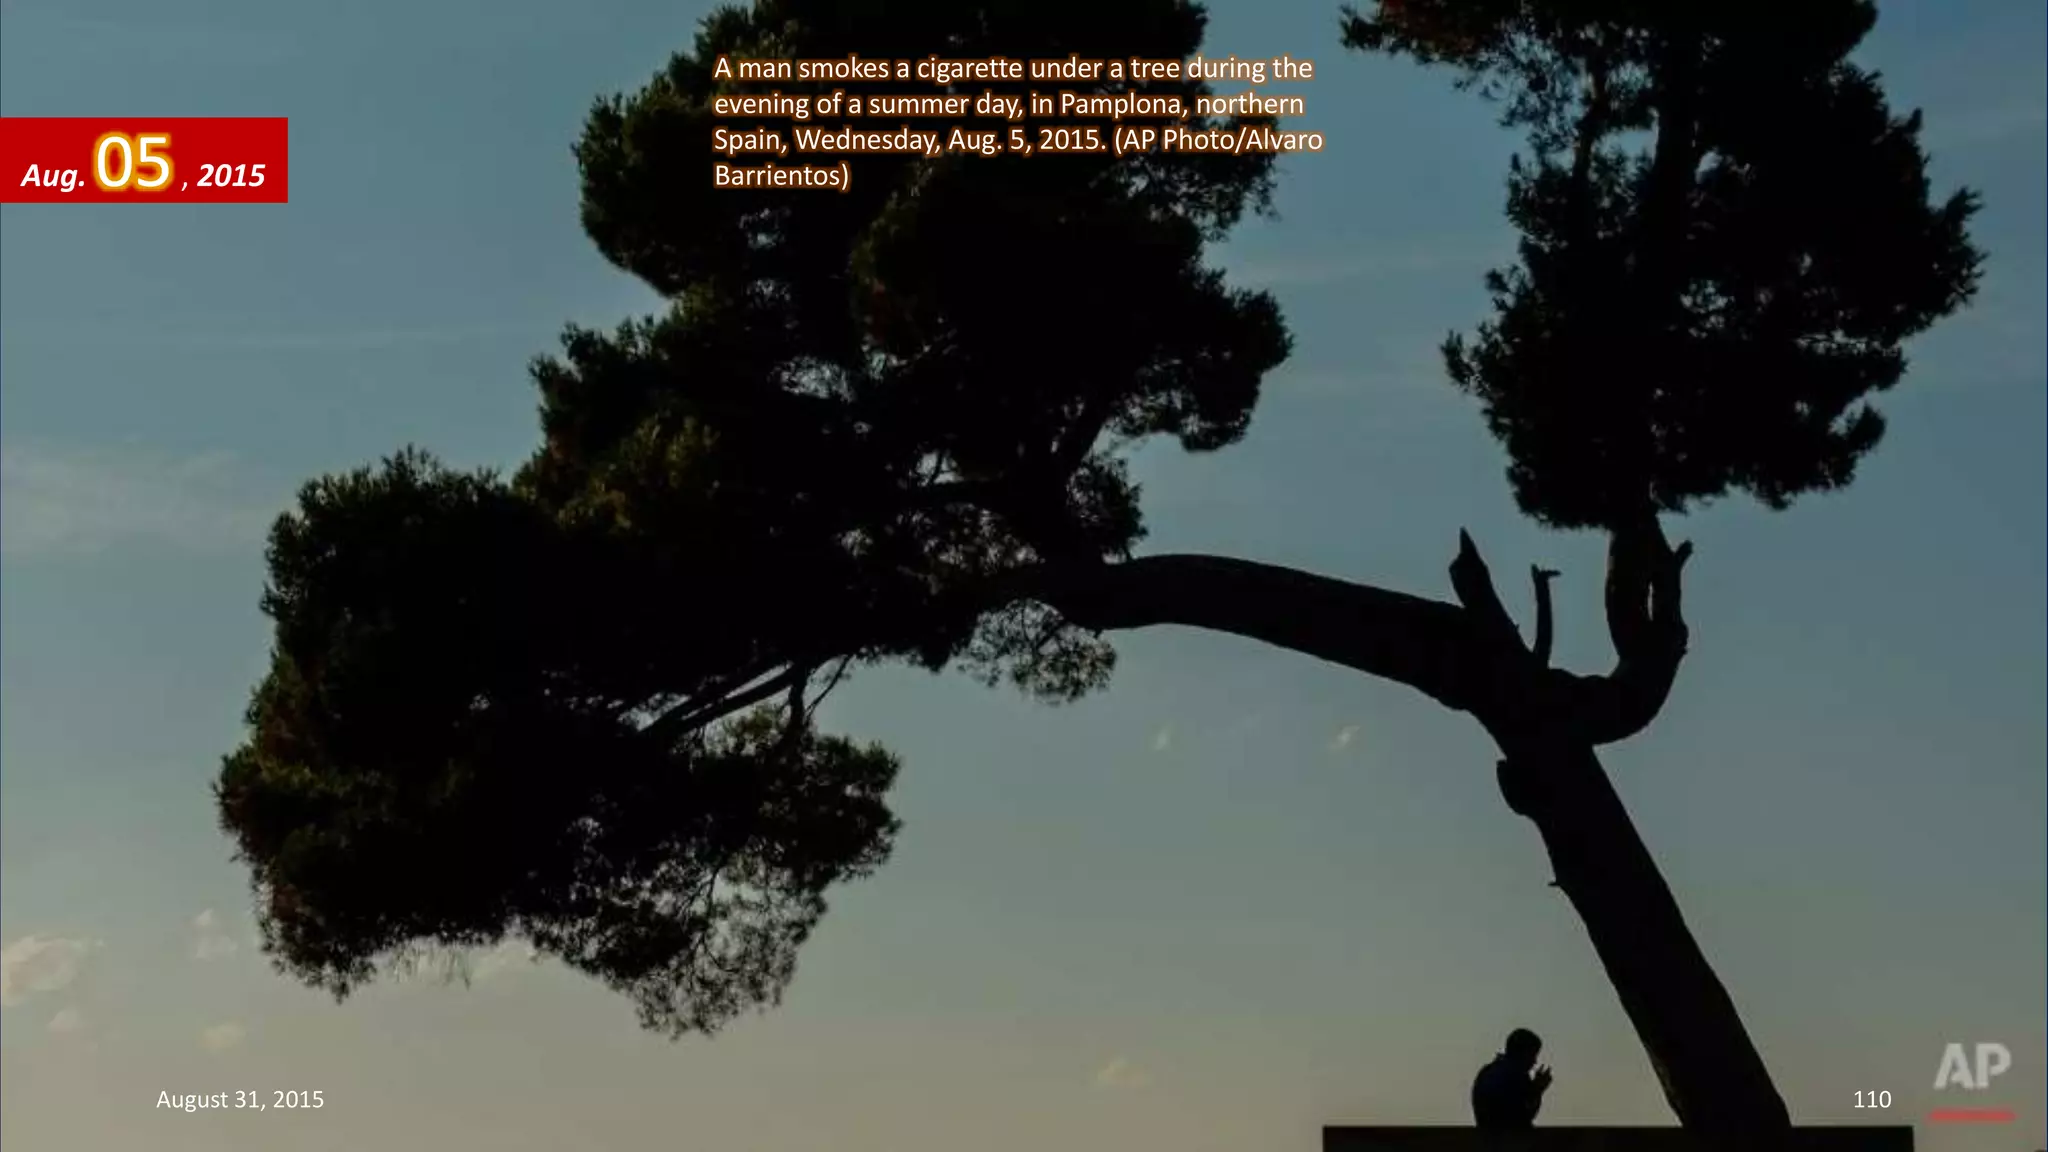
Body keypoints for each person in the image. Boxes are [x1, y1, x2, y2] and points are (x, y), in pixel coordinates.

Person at [1471, 1028, 1552, 1129]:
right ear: (1523, 1053)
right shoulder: (1516, 1075)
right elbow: (1522, 1116)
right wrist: (1537, 1090)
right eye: (1532, 1055)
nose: (1534, 1062)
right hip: (1506, 1140)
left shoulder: (1487, 1072)